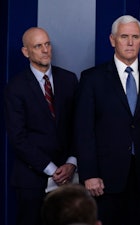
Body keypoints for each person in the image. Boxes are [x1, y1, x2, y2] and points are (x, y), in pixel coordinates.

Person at [73, 15, 140, 225]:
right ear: (113, 40)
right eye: (124, 37)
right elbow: (84, 131)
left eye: (135, 37)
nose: (130, 42)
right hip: (104, 180)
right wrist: (89, 174)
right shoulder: (91, 79)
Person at [3, 27, 78, 225]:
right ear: (26, 52)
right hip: (32, 180)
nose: (45, 50)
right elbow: (18, 138)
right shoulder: (15, 87)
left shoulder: (69, 80)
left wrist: (71, 162)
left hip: (69, 178)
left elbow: (79, 126)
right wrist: (52, 169)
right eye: (38, 46)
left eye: (47, 44)